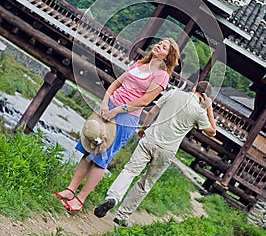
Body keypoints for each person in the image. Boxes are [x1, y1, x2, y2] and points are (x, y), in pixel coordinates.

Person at [53, 38, 180, 212]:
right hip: (109, 107)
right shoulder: (139, 64)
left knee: (102, 157)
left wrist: (117, 110)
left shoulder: (162, 75)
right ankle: (70, 190)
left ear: (168, 56)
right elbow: (116, 84)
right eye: (159, 43)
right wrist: (105, 104)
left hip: (125, 117)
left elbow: (144, 101)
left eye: (164, 47)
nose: (159, 45)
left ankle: (80, 200)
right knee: (90, 148)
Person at [94, 80, 216, 225]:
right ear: (205, 97)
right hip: (167, 151)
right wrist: (209, 109)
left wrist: (144, 128)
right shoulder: (199, 112)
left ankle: (113, 197)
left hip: (150, 139)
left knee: (130, 170)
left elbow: (152, 111)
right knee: (145, 183)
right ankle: (122, 216)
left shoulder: (173, 93)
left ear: (194, 87)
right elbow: (212, 132)